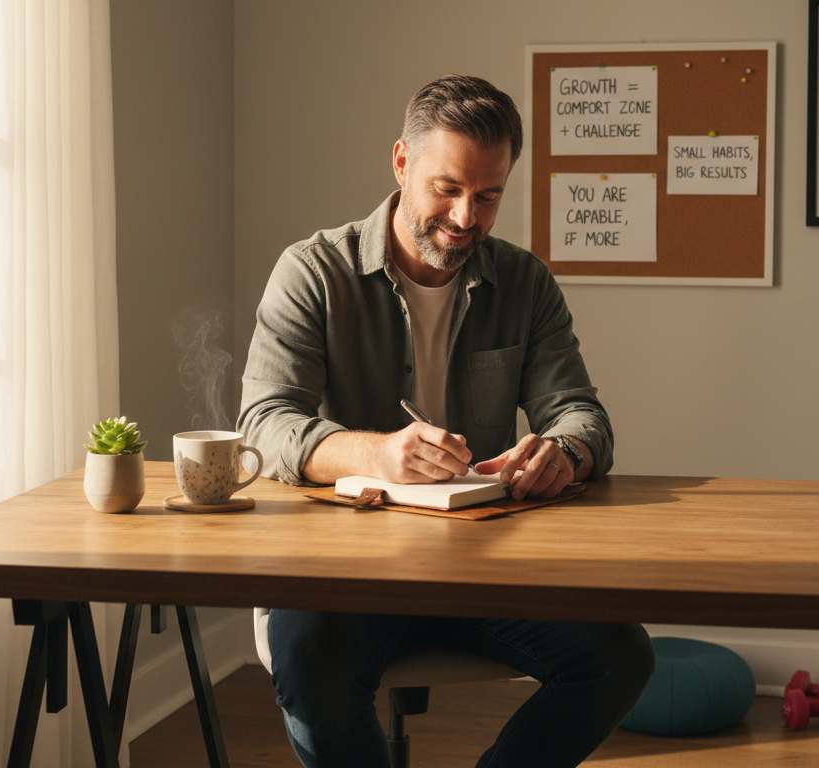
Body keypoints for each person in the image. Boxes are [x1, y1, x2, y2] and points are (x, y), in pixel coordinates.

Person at [237, 74, 654, 767]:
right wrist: (374, 456)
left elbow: (583, 415)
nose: (466, 217)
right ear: (401, 163)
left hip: (483, 566)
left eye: (488, 196)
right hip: (342, 569)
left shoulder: (525, 283)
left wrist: (563, 451)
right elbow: (263, 424)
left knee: (619, 658)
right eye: (447, 188)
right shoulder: (312, 272)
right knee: (311, 663)